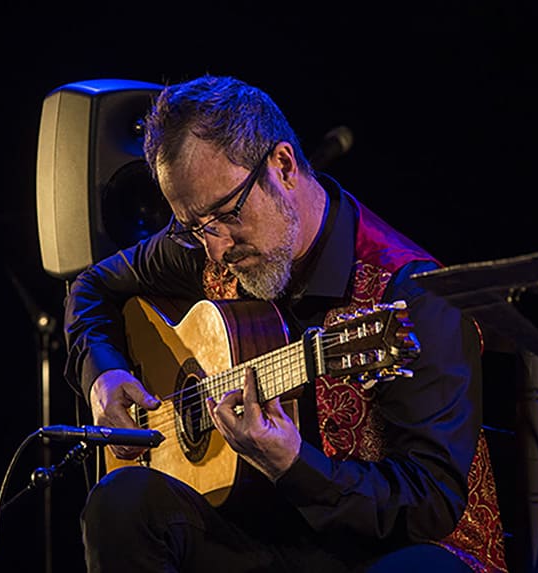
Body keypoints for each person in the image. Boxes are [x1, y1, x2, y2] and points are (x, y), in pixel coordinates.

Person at [63, 74, 508, 572]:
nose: (215, 248)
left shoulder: (408, 293)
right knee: (122, 501)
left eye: (226, 214)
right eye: (193, 227)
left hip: (377, 551)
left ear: (283, 166)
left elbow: (429, 503)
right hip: (256, 534)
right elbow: (91, 289)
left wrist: (294, 466)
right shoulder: (207, 240)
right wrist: (102, 376)